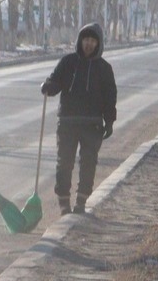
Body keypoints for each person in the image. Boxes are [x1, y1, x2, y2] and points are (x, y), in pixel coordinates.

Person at [40, 23, 118, 214]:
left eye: (92, 41)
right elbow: (56, 81)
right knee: (64, 162)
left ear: (98, 44)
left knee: (88, 163)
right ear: (80, 41)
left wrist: (109, 120)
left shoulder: (104, 68)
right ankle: (64, 203)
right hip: (67, 121)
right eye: (86, 40)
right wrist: (48, 86)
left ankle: (81, 201)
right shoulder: (68, 62)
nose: (88, 44)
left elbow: (110, 96)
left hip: (92, 124)